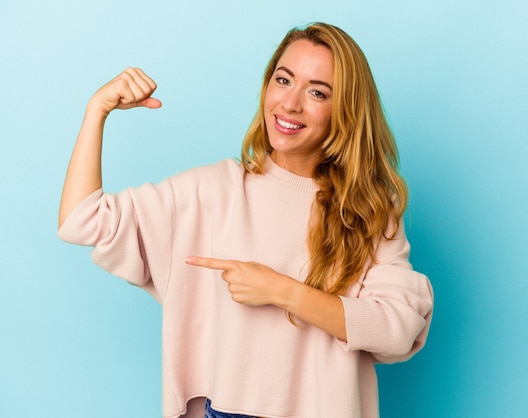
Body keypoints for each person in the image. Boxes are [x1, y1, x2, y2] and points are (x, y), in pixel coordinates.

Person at [58, 22, 434, 418]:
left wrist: (281, 290)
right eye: (283, 80)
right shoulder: (212, 190)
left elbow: (398, 329)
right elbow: (80, 220)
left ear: (345, 110)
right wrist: (96, 110)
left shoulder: (367, 208)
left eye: (318, 92)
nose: (290, 104)